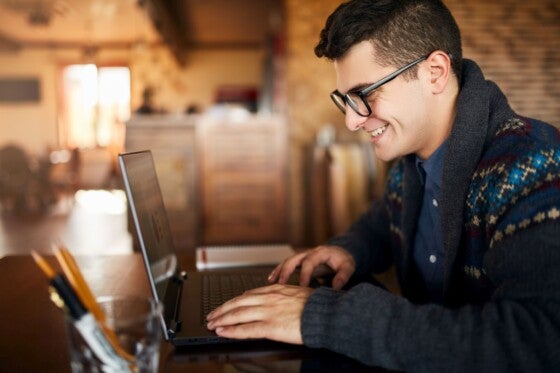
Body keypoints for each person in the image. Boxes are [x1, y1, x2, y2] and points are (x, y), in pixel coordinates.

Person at [206, 0, 560, 370]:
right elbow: (385, 219)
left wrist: (328, 318)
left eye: (365, 95)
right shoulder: (412, 160)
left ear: (435, 72)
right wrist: (350, 249)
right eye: (346, 100)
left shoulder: (533, 165)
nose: (352, 122)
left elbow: (538, 340)